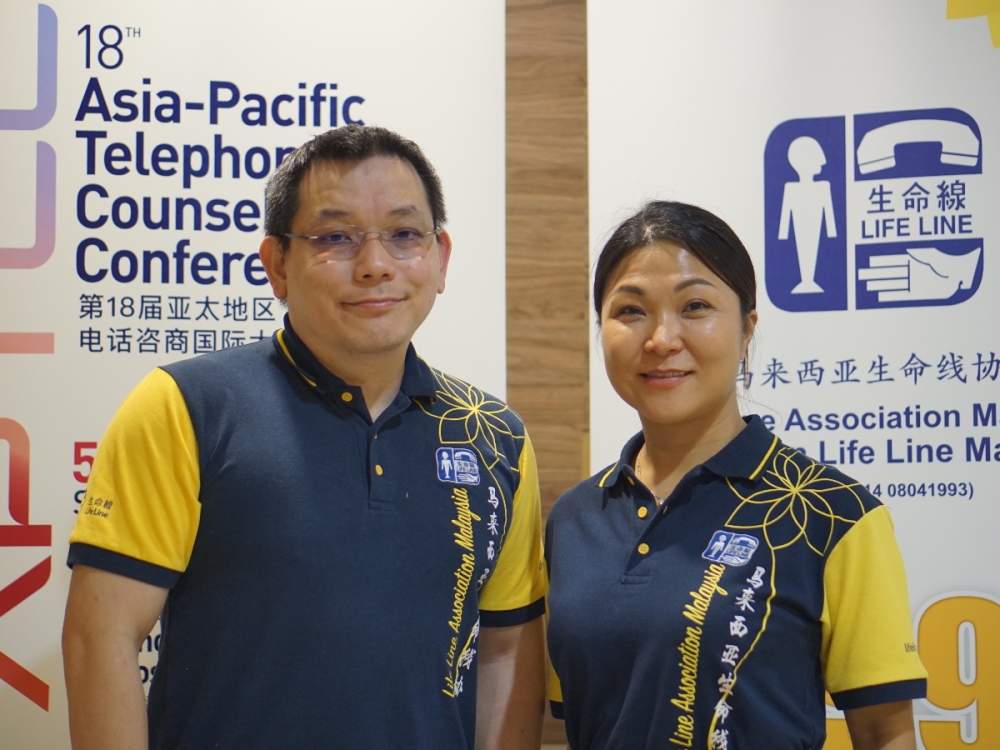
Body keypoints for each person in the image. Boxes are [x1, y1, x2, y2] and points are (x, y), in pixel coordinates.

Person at [62, 125, 547, 750]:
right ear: (277, 265)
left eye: (404, 235)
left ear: (441, 257)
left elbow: (505, 652)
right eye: (335, 237)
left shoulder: (493, 437)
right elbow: (100, 637)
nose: (375, 265)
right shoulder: (185, 407)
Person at [545, 201, 927, 750]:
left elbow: (885, 733)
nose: (661, 339)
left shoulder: (832, 513)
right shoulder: (575, 519)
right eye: (630, 311)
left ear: (748, 329)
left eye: (695, 305)